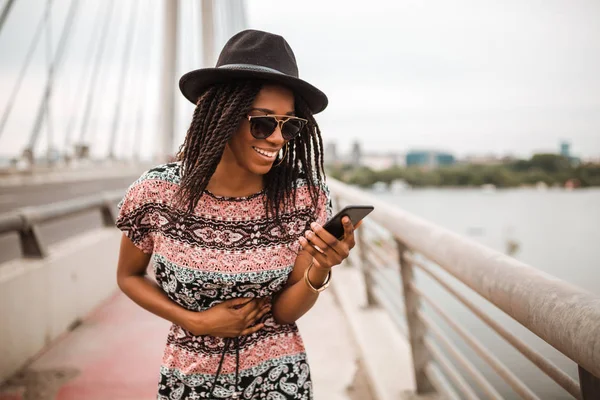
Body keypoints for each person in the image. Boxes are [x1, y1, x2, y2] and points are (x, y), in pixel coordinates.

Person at [115, 29, 360, 399]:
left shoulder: (303, 197)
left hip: (280, 382)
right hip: (190, 382)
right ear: (223, 116)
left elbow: (286, 313)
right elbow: (128, 276)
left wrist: (320, 268)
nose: (277, 138)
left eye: (289, 125)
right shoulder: (158, 193)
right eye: (263, 122)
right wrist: (195, 321)